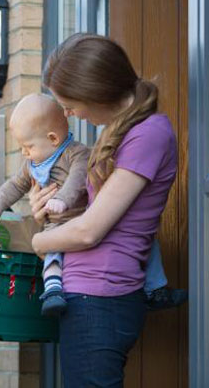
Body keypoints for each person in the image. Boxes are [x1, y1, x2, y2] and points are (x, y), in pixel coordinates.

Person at [30, 33, 183, 386]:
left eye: (69, 103)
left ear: (96, 91)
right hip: (88, 296)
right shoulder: (121, 132)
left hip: (100, 298)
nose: (67, 113)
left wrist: (40, 242)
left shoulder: (148, 133)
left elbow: (89, 231)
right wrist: (46, 211)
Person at [0, 93, 90, 316]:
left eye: (28, 146)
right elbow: (14, 186)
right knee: (51, 253)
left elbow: (78, 180)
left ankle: (154, 286)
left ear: (53, 139)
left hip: (81, 219)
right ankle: (53, 291)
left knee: (53, 245)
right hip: (53, 224)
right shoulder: (32, 164)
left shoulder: (76, 155)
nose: (23, 152)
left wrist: (61, 200)